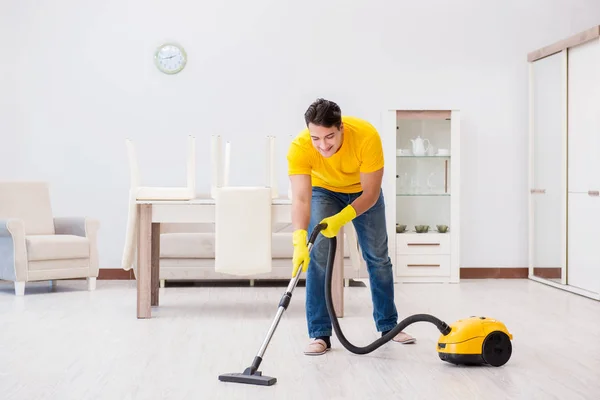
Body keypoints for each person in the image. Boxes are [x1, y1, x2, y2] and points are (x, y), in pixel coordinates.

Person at [286, 98, 416, 356]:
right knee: (319, 258)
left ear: (341, 127)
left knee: (378, 257)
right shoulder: (299, 147)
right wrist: (299, 238)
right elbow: (301, 198)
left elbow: (371, 192)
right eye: (316, 138)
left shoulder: (366, 137)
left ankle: (388, 326)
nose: (323, 145)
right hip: (324, 191)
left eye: (329, 137)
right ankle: (320, 334)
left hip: (362, 193)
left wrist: (342, 218)